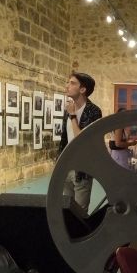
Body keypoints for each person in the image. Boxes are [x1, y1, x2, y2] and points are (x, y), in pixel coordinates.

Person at [58, 72, 102, 212]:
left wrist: (72, 116)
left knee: (80, 212)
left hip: (82, 169)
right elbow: (65, 139)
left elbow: (82, 140)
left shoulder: (94, 111)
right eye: (68, 82)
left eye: (72, 83)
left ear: (82, 89)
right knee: (67, 209)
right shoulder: (69, 109)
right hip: (66, 166)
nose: (67, 86)